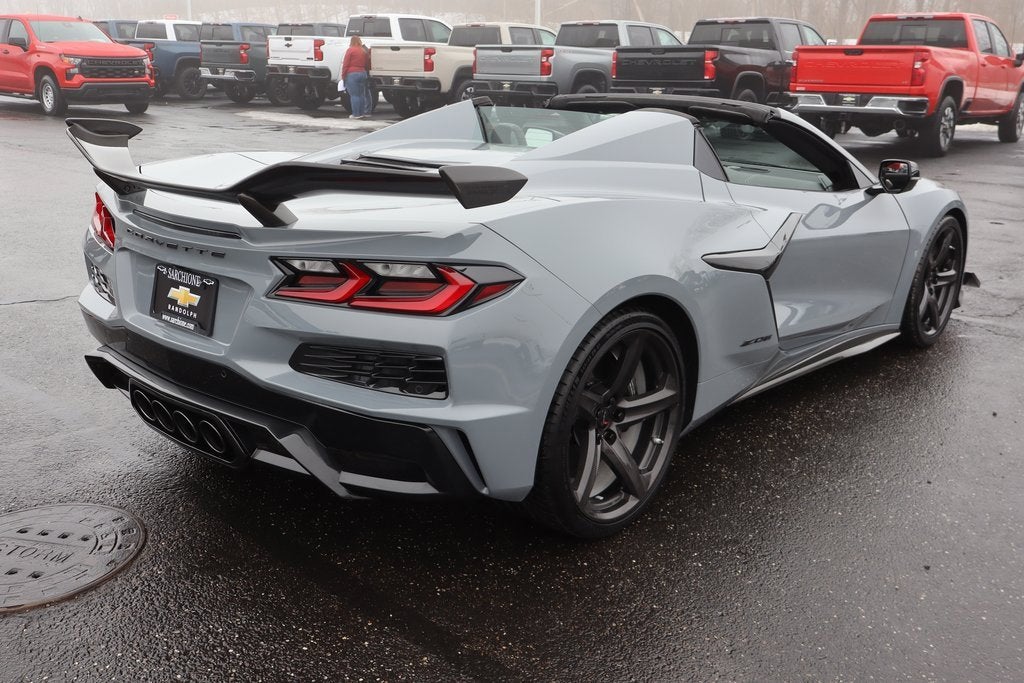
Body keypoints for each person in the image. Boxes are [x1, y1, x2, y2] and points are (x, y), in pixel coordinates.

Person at [341, 35, 370, 119]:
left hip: (352, 74)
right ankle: (362, 113)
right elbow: (367, 63)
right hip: (362, 73)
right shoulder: (363, 50)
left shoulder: (350, 50)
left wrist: (343, 76)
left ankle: (356, 114)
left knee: (354, 95)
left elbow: (345, 64)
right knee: (361, 95)